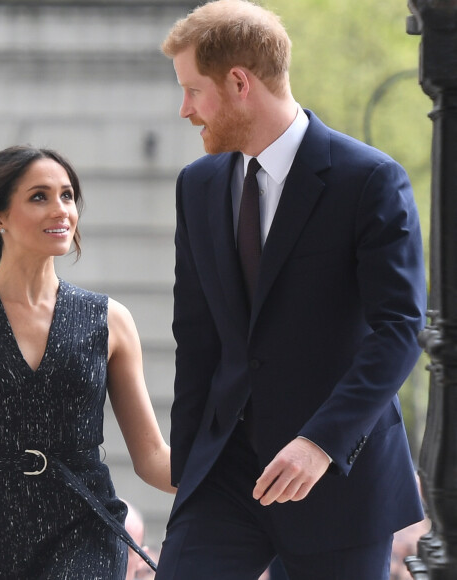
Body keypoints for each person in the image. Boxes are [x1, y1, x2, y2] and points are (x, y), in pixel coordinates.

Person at [155, 1, 427, 579]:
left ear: (238, 82)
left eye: (193, 90)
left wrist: (321, 443)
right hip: (225, 477)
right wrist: (188, 470)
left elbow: (399, 329)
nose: (185, 110)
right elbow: (196, 336)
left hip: (338, 476)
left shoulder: (369, 180)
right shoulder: (198, 186)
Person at [0, 145, 174, 580]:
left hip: (83, 529)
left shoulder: (110, 320)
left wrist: (232, 474)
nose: (61, 210)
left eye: (67, 196)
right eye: (39, 197)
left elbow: (152, 457)